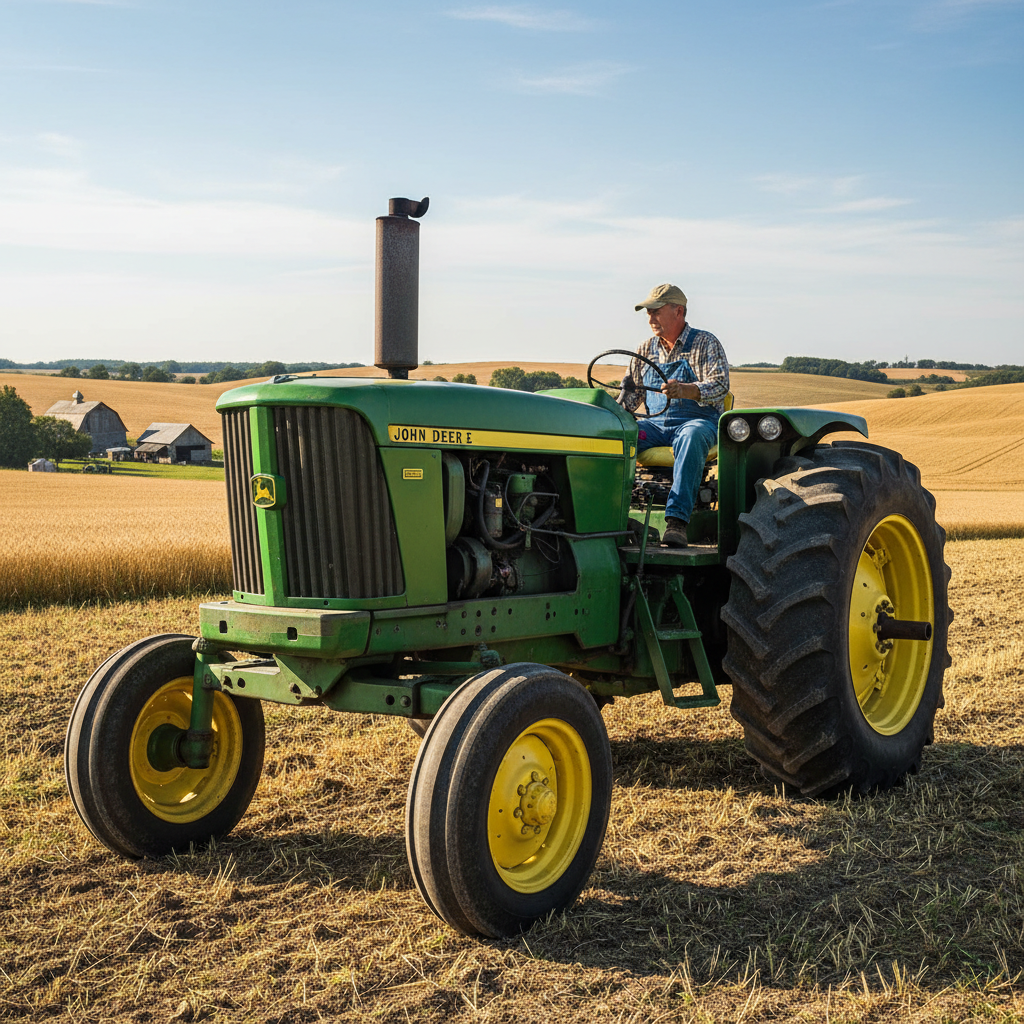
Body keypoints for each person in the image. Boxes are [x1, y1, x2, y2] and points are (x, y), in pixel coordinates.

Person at [618, 283, 730, 548]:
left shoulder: (704, 343)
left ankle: (677, 522)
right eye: (648, 312)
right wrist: (615, 408)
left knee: (690, 437)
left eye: (656, 311)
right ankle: (614, 514)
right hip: (656, 424)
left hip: (698, 421)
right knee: (621, 437)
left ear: (678, 311)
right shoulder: (644, 349)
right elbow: (632, 398)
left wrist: (687, 390)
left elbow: (720, 385)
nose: (650, 318)